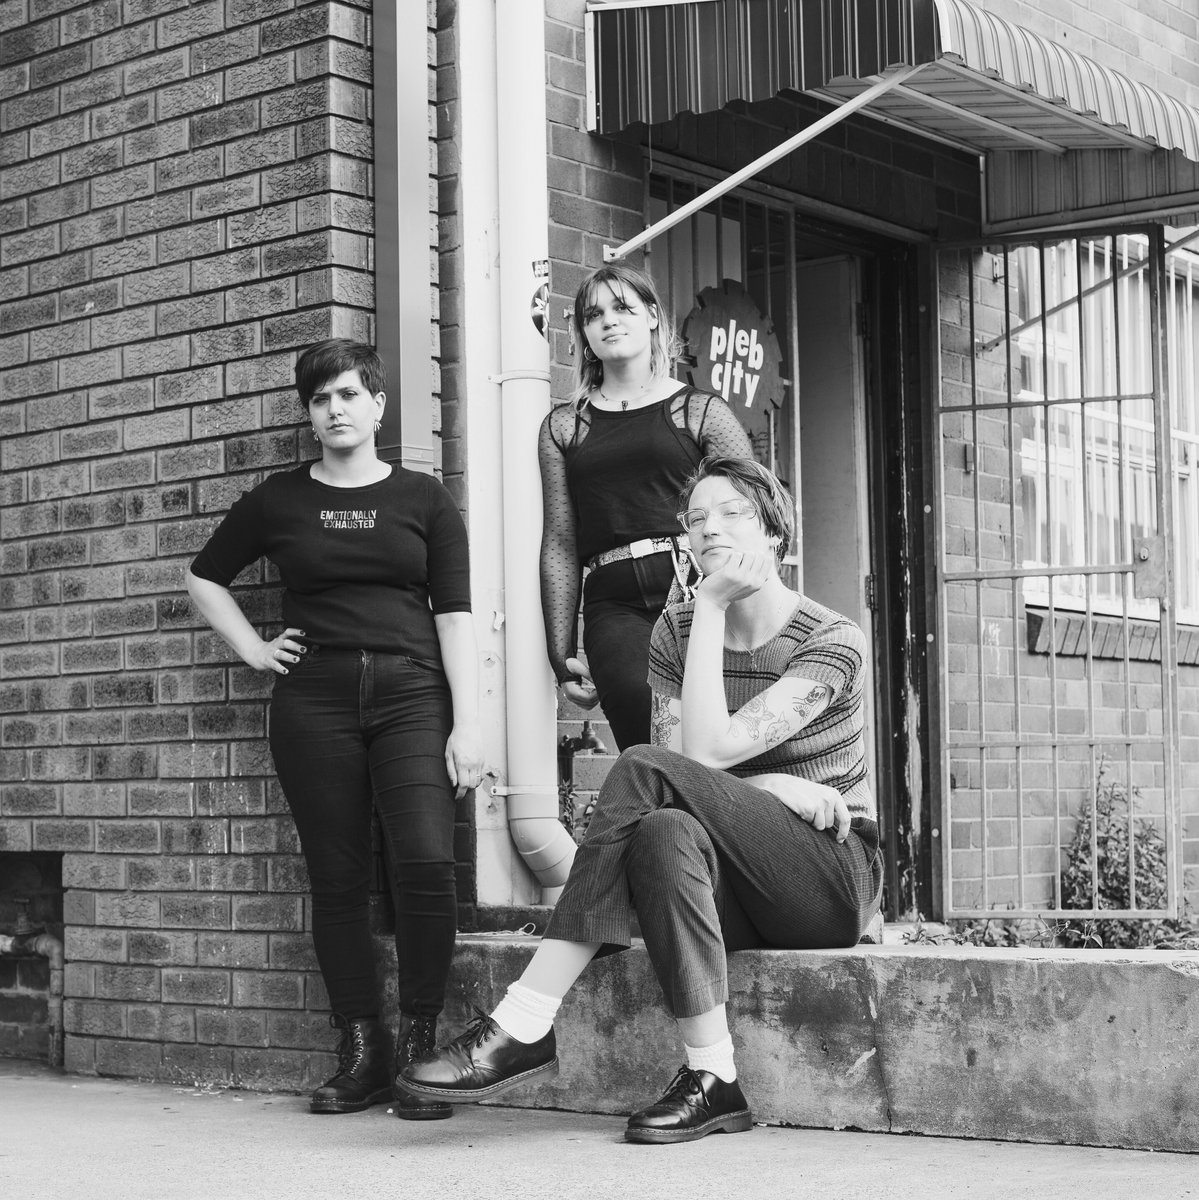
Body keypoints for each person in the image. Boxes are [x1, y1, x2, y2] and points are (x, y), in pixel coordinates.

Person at [399, 456, 882, 1144]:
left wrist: (710, 604)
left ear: (775, 532)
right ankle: (715, 1077)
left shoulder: (832, 640)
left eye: (733, 513)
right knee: (661, 833)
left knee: (641, 766)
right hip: (730, 883)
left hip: (827, 877)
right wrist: (770, 784)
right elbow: (681, 769)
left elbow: (700, 754)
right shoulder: (675, 631)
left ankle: (525, 1017)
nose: (709, 528)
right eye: (696, 517)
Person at [186, 339, 484, 1121]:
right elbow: (204, 576)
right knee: (338, 875)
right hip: (313, 698)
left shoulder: (423, 499)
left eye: (348, 394)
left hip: (413, 693)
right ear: (309, 414)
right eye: (320, 399)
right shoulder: (278, 500)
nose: (334, 409)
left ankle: (420, 1048)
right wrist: (254, 650)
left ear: (377, 405)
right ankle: (362, 1049)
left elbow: (455, 615)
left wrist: (469, 722)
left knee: (426, 862)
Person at [540, 263, 753, 750]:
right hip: (614, 604)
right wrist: (561, 655)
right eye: (594, 315)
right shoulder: (565, 427)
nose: (608, 321)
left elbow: (753, 511)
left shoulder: (699, 411)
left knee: (716, 741)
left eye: (622, 307)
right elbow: (560, 540)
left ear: (653, 316)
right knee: (648, 737)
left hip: (701, 590)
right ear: (584, 333)